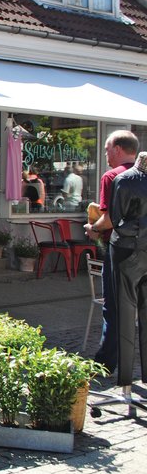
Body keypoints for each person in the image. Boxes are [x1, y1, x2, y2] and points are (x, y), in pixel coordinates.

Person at [85, 130, 139, 373]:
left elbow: (109, 219)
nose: (105, 155)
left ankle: (105, 362)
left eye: (107, 150)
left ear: (117, 149)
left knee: (114, 307)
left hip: (119, 250)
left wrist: (93, 228)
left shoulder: (112, 176)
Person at [103, 150, 147, 387]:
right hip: (132, 250)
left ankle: (127, 381)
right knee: (131, 314)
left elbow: (117, 221)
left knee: (125, 314)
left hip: (127, 252)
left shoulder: (125, 179)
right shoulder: (126, 179)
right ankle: (130, 380)